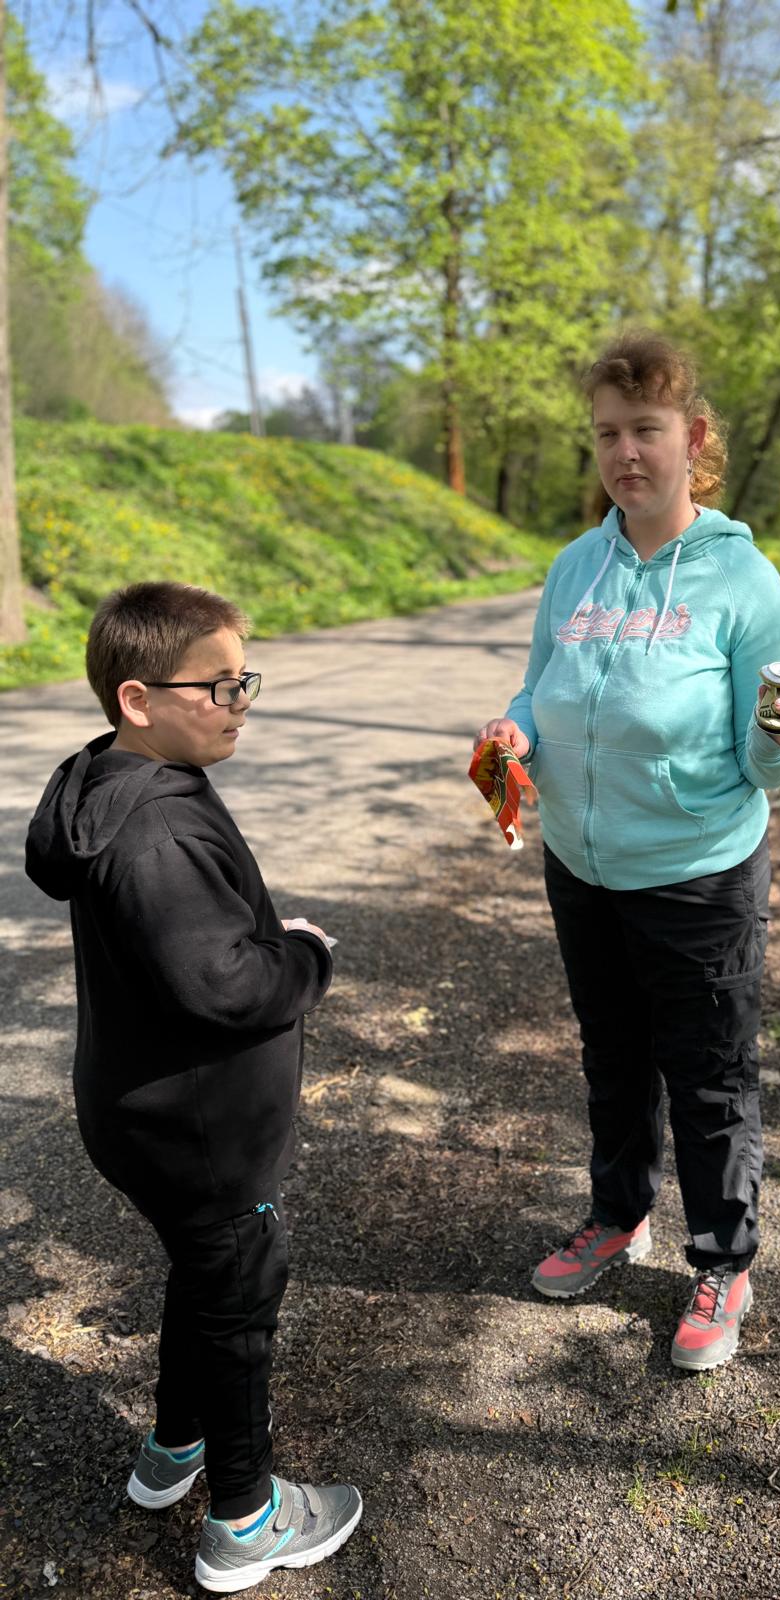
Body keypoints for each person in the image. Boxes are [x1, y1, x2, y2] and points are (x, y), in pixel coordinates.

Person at [477, 331, 780, 1371]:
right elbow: (540, 684)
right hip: (582, 866)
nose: (625, 453)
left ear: (694, 439)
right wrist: (516, 731)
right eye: (606, 434)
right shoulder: (574, 567)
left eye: (646, 430)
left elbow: (770, 762)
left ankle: (723, 1259)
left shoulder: (741, 580)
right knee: (613, 1057)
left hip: (699, 873)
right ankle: (619, 1215)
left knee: (710, 1076)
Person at [24, 581, 362, 1593]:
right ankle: (245, 1519)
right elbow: (225, 987)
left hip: (147, 1112)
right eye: (217, 685)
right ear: (136, 699)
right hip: (202, 1131)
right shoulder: (157, 834)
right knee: (241, 1294)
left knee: (206, 1275)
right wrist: (304, 953)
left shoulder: (111, 782)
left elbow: (187, 952)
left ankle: (174, 1448)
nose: (239, 701)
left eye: (244, 678)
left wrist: (256, 932)